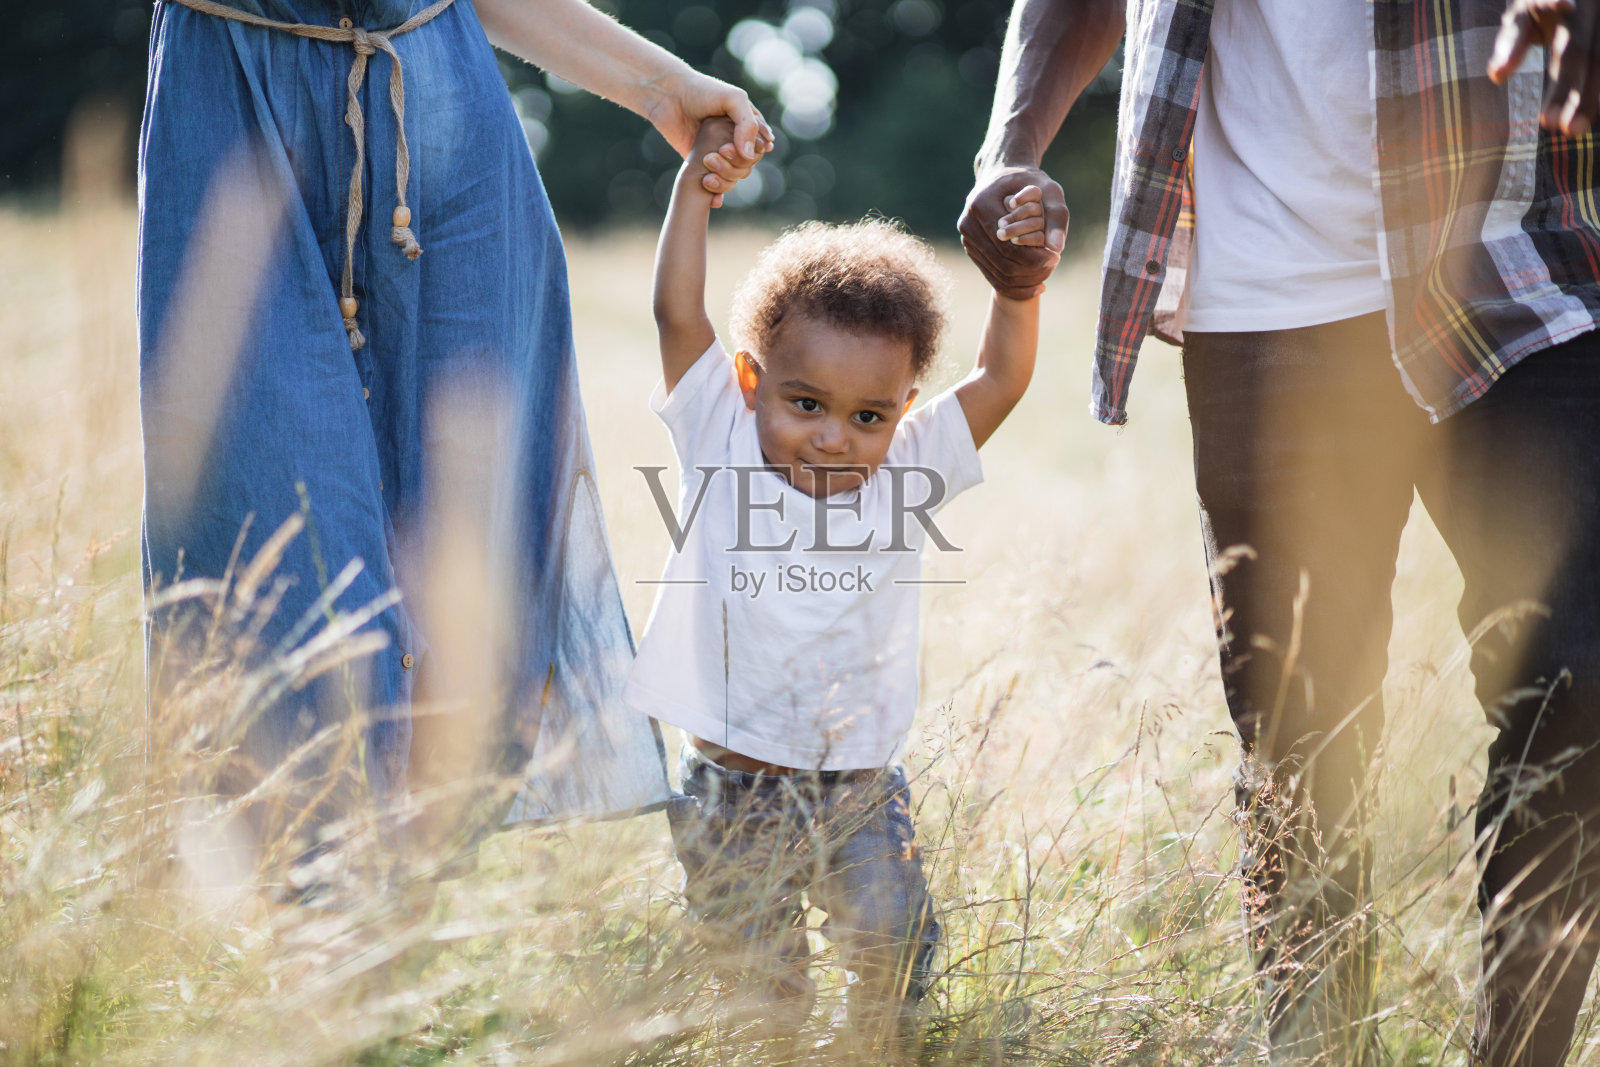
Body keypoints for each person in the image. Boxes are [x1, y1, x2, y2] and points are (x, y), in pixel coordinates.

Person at [960, 0, 1600, 1063]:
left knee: (1583, 683)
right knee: (1304, 749)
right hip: (1270, 295)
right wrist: (1007, 151)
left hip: (1506, 255)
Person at [136, 0, 772, 891]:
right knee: (281, 537)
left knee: (471, 552)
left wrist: (661, 88)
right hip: (232, 99)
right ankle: (314, 928)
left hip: (443, 111)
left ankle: (419, 940)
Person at [626, 115, 1040, 1042]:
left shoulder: (910, 466)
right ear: (749, 379)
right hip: (729, 786)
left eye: (866, 415)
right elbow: (676, 314)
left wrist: (1019, 285)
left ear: (902, 412)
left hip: (858, 785)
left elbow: (1002, 377)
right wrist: (696, 187)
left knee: (893, 948)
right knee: (759, 988)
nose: (831, 434)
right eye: (805, 402)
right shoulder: (720, 435)